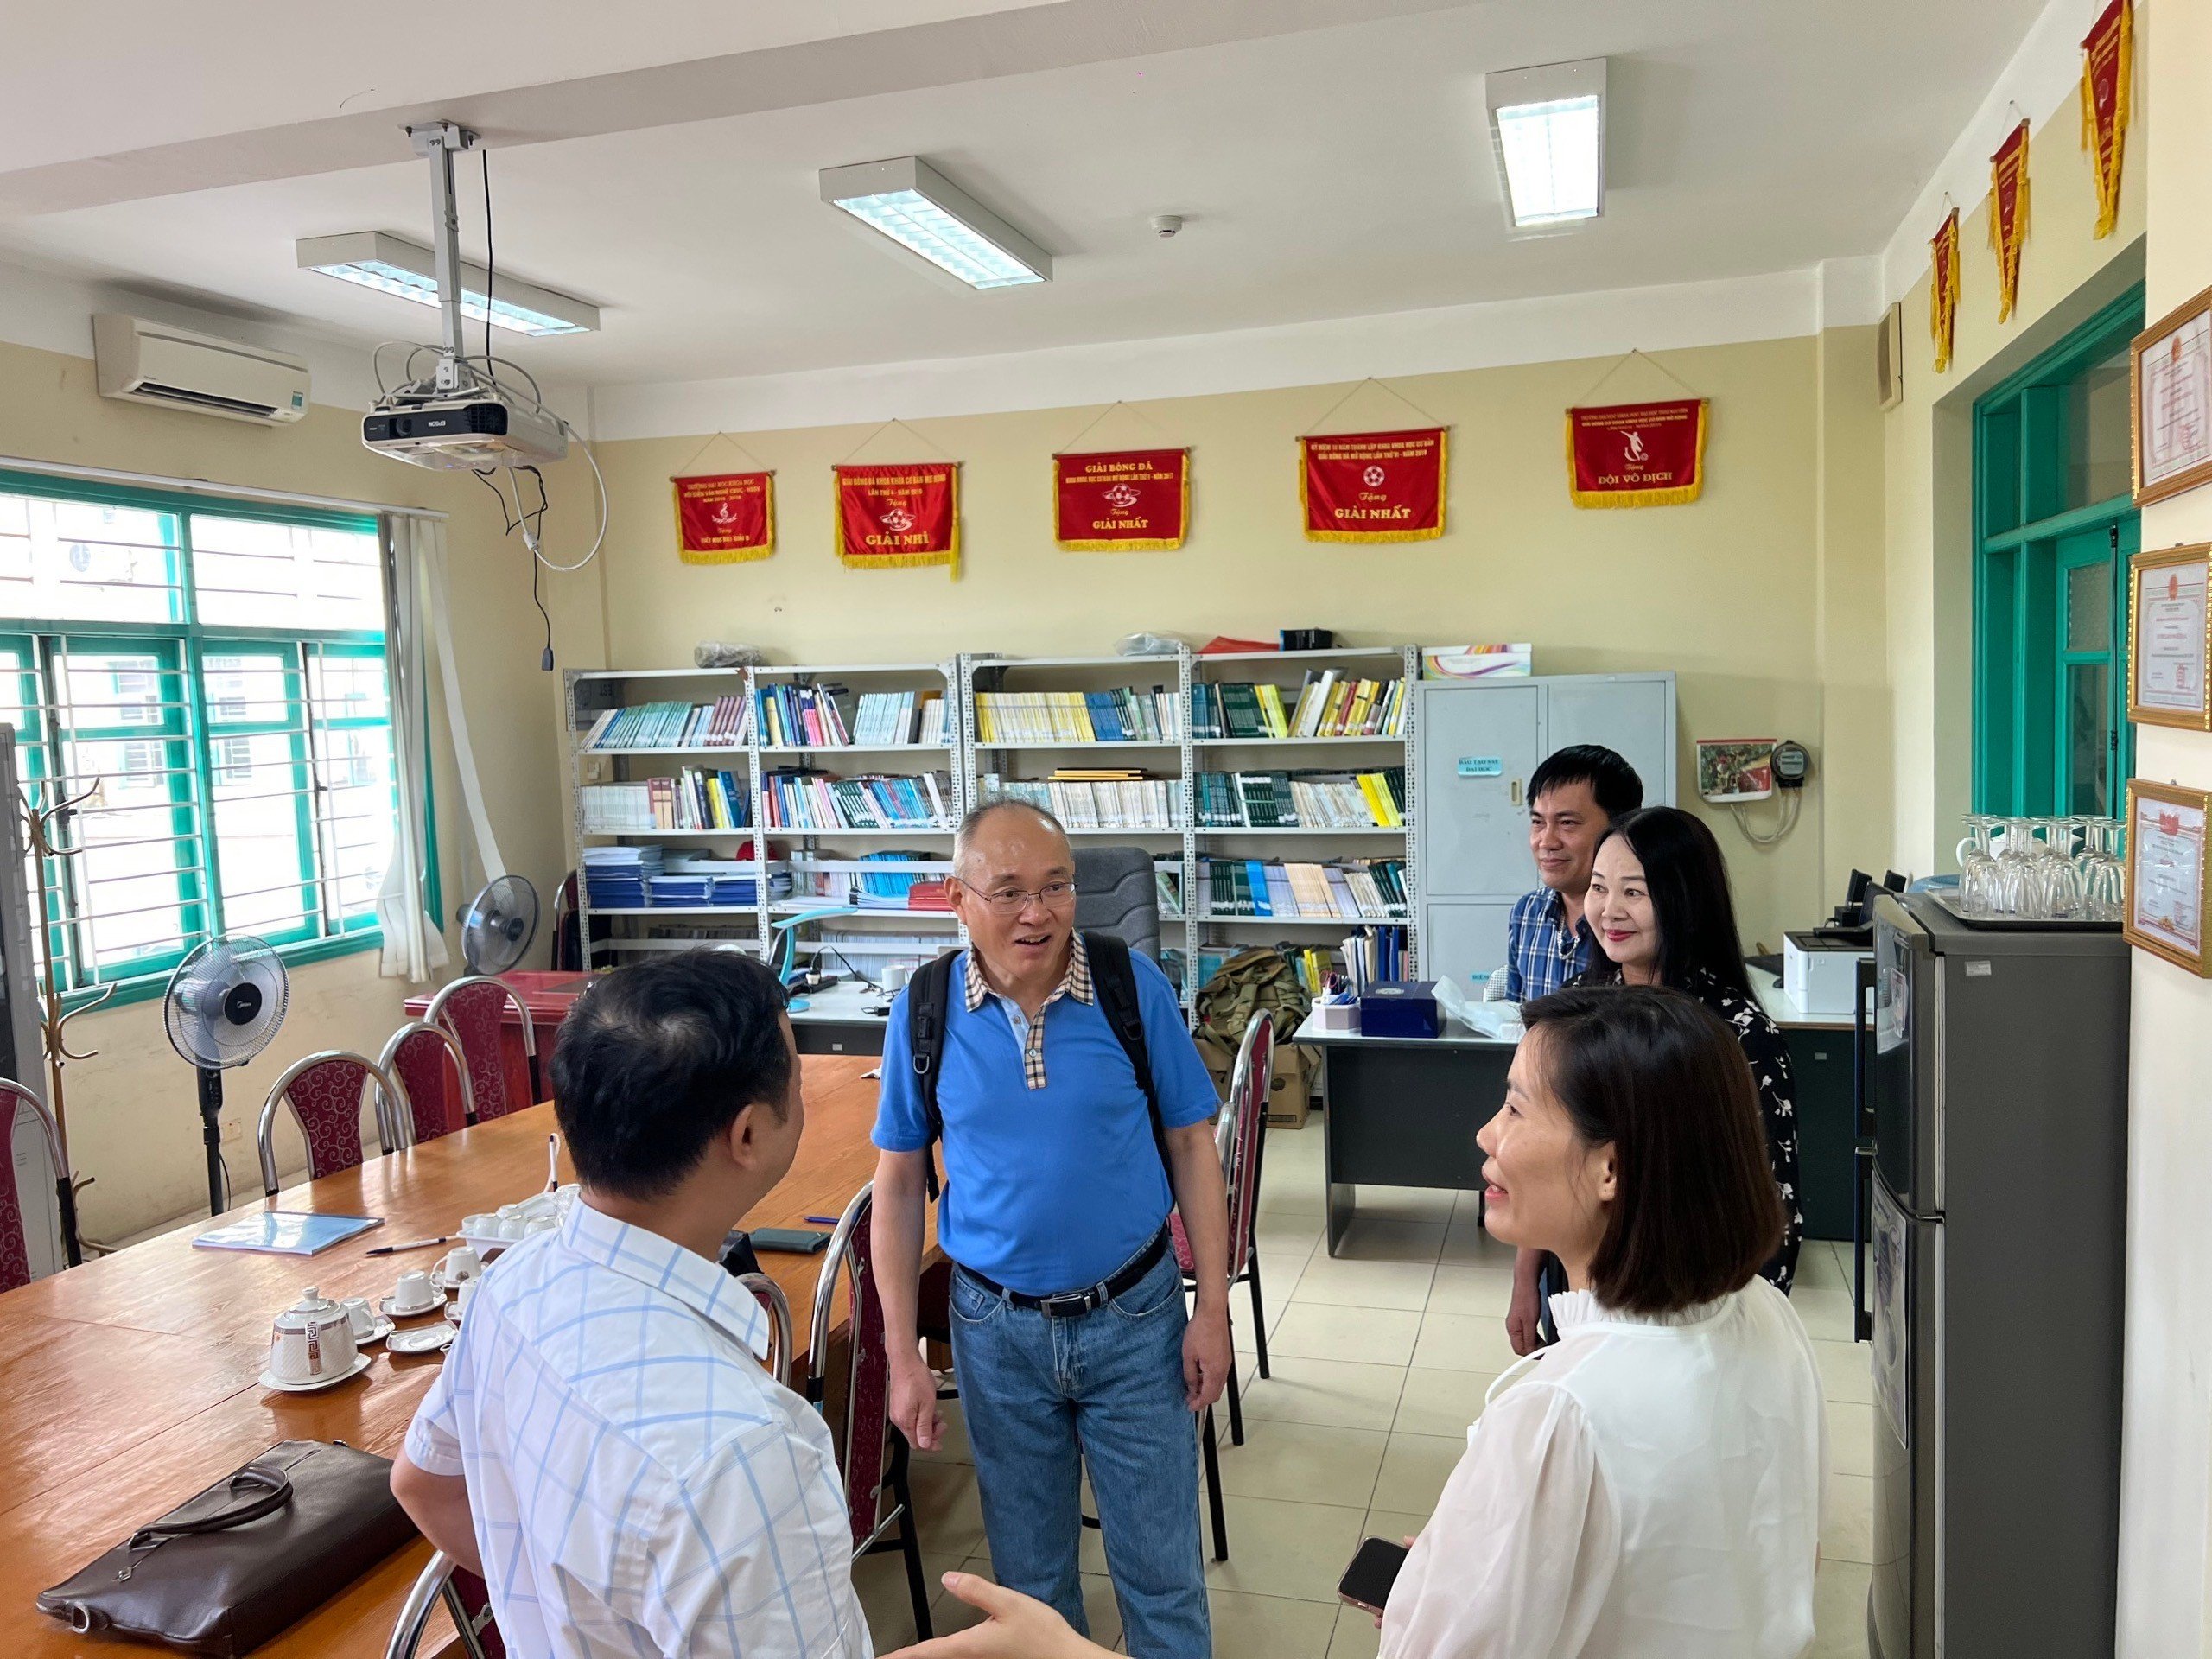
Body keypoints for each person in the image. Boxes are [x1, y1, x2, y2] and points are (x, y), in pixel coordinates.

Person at [877, 988, 1827, 1659]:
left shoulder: (1562, 1417)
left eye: (1514, 1107)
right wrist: (1468, 1564)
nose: (1486, 1134)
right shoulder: (1763, 1316)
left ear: (1610, 1168)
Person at [390, 950, 870, 1659]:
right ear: (746, 1135)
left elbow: (423, 1484)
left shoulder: (510, 1285)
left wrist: (563, 1611)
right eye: (795, 1082)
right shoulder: (744, 1453)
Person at [871, 799, 1232, 1659]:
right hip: (995, 1333)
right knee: (1029, 1587)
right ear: (958, 900)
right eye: (1008, 892)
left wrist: (1212, 1307)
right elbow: (898, 1183)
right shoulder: (924, 1009)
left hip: (1135, 1316)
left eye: (1057, 887)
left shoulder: (1128, 986)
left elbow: (1191, 1144)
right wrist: (900, 1354)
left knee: (1163, 1577)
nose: (1037, 913)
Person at [1508, 805, 1806, 1351]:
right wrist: (1526, 1277)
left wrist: (1735, 1341)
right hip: (1576, 1289)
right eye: (1599, 888)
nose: (1609, 910)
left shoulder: (1738, 1034)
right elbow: (1542, 1152)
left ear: (1684, 901)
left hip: (1681, 1312)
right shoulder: (1581, 1007)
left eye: (1635, 892)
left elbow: (1772, 1207)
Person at [1499, 745, 1645, 1002]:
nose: (1546, 842)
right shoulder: (1527, 912)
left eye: (1567, 823)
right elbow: (1515, 1017)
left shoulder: (1637, 922)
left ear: (1620, 827)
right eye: (1538, 822)